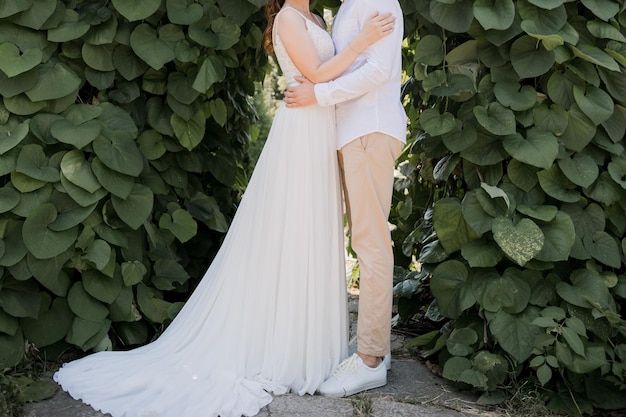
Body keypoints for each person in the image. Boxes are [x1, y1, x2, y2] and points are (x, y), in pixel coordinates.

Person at [53, 1, 395, 416]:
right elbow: (320, 74)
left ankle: (317, 342)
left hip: (326, 128)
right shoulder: (289, 17)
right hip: (304, 128)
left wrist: (349, 56)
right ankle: (286, 342)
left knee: (318, 234)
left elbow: (340, 73)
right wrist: (361, 41)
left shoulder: (320, 18)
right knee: (290, 229)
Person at [283, 0, 406, 398]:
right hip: (354, 132)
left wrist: (319, 94)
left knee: (370, 244)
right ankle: (376, 349)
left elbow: (377, 70)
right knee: (365, 241)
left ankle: (370, 360)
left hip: (369, 128)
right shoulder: (350, 3)